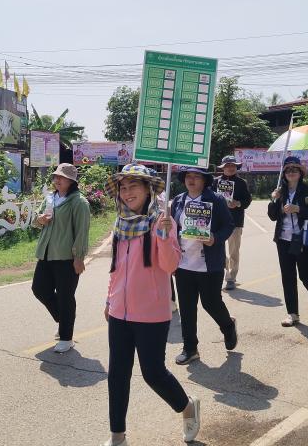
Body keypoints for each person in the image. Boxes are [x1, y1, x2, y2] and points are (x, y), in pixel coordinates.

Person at [101, 164, 200, 446]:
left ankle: (187, 407)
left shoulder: (162, 221)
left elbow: (170, 266)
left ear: (148, 189)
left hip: (151, 314)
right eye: (123, 187)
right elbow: (116, 267)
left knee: (153, 374)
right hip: (119, 312)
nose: (127, 192)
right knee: (117, 375)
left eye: (134, 186)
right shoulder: (120, 223)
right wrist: (109, 298)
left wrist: (165, 237)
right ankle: (117, 436)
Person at [171, 167, 237, 365]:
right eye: (188, 176)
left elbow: (228, 225)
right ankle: (190, 348)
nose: (191, 179)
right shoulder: (178, 200)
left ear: (204, 180)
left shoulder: (216, 200)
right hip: (183, 265)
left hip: (209, 264)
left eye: (196, 176)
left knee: (211, 303)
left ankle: (228, 326)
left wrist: (215, 238)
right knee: (187, 308)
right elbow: (173, 229)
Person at [31, 163, 91, 353]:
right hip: (46, 253)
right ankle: (65, 320)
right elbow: (36, 221)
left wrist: (79, 257)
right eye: (56, 176)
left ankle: (66, 337)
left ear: (71, 181)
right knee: (39, 289)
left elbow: (82, 231)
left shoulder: (79, 202)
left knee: (65, 296)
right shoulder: (50, 198)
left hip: (66, 257)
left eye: (62, 177)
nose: (57, 180)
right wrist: (40, 219)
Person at [267, 156, 308, 327]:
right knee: (288, 276)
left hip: (302, 239)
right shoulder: (280, 192)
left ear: (300, 173)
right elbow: (272, 216)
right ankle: (292, 313)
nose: (291, 173)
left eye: (294, 169)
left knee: (306, 275)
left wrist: (298, 209)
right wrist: (273, 200)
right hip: (283, 240)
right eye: (288, 170)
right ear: (284, 174)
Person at [212, 155, 253, 291]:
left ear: (236, 167)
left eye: (233, 166)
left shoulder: (241, 183)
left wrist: (238, 203)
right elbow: (208, 198)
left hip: (235, 221)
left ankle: (231, 278)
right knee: (218, 249)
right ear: (222, 168)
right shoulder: (215, 182)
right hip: (217, 221)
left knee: (234, 251)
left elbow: (247, 200)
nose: (230, 168)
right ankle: (224, 272)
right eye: (227, 166)